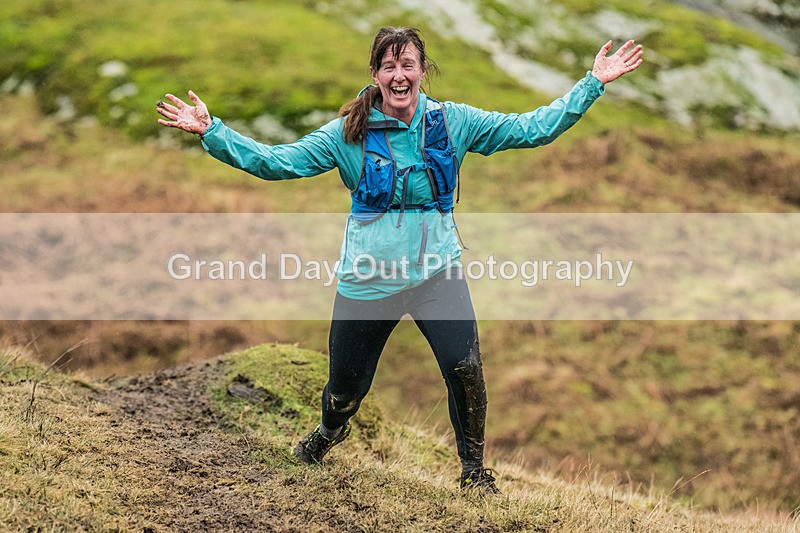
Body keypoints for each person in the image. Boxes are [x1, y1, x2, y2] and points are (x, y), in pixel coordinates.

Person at [156, 27, 643, 494]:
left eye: (407, 65)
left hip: (437, 273)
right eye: (389, 67)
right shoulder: (345, 135)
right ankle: (329, 431)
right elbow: (277, 162)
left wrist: (591, 84)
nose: (399, 76)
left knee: (465, 368)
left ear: (422, 70)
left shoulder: (454, 121)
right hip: (369, 281)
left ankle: (474, 473)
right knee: (345, 389)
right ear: (375, 74)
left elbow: (531, 129)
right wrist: (212, 132)